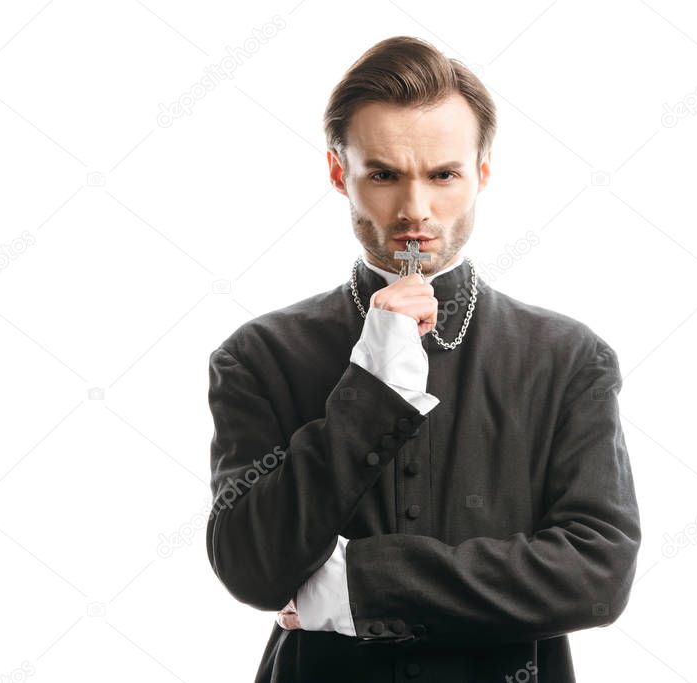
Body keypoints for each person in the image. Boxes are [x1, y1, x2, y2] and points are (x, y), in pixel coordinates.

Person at [206, 34, 641, 682]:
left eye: (442, 174)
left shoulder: (567, 359)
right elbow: (252, 567)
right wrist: (369, 389)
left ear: (482, 172)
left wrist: (359, 583)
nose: (415, 210)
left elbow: (596, 575)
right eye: (382, 174)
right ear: (338, 173)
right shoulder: (258, 355)